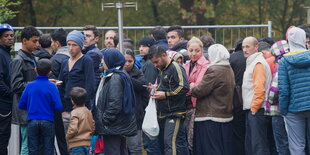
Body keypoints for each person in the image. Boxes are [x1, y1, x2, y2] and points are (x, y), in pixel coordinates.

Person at [191, 44, 235, 155]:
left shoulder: (214, 70)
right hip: (224, 114)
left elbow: (200, 91)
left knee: (210, 148)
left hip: (210, 116)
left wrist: (192, 87)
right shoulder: (228, 68)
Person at [94, 48, 137, 155]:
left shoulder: (115, 77)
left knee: (113, 151)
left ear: (110, 60)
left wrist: (105, 121)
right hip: (117, 124)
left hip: (113, 125)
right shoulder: (117, 74)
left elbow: (114, 103)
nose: (102, 61)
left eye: (104, 59)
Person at [148, 45, 189, 155]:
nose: (155, 65)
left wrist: (165, 94)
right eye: (153, 63)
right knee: (180, 144)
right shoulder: (162, 69)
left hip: (175, 113)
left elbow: (184, 87)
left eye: (156, 62)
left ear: (164, 55)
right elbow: (166, 86)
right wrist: (155, 89)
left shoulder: (176, 67)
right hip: (164, 112)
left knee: (169, 143)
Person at [18, 58, 62, 155]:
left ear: (35, 70)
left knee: (33, 149)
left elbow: (21, 104)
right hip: (48, 120)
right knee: (48, 148)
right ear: (50, 73)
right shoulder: (52, 86)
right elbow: (58, 106)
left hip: (32, 120)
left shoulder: (29, 86)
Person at [278, 26, 310, 155]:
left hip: (294, 108)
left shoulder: (284, 61)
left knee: (297, 146)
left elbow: (284, 90)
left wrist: (284, 110)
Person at [11, 26, 40, 155]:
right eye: (34, 41)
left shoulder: (33, 58)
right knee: (27, 145)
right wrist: (37, 84)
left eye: (38, 41)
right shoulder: (19, 60)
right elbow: (16, 86)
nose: (37, 44)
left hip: (35, 108)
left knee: (33, 145)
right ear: (24, 41)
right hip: (25, 110)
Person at [58, 30, 95, 131]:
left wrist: (85, 105)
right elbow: (60, 85)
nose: (70, 48)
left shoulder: (86, 60)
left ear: (81, 46)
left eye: (74, 45)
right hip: (66, 108)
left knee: (80, 139)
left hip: (81, 106)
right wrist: (62, 109)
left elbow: (90, 85)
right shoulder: (65, 62)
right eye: (69, 44)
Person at [242, 36, 272, 155]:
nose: (245, 49)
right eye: (243, 47)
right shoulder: (253, 62)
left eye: (248, 46)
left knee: (258, 146)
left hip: (257, 110)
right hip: (254, 109)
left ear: (256, 47)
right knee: (253, 145)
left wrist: (254, 109)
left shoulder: (257, 63)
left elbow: (259, 89)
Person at [183, 36, 209, 151]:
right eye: (191, 50)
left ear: (202, 50)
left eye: (197, 51)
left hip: (197, 105)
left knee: (193, 138)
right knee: (186, 137)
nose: (194, 53)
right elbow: (183, 85)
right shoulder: (186, 64)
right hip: (185, 105)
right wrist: (190, 85)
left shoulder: (206, 65)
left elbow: (198, 85)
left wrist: (189, 86)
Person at [264, 40, 290, 155]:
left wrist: (269, 101)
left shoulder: (280, 66)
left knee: (281, 143)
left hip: (278, 110)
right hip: (292, 110)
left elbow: (275, 88)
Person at [124, 51, 148, 155]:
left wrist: (126, 77)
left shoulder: (138, 73)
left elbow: (141, 85)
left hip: (136, 115)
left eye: (130, 61)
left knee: (135, 148)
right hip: (122, 116)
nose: (127, 63)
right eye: (125, 61)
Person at [229, 39, 246, 155]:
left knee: (237, 133)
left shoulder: (232, 58)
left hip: (236, 100)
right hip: (251, 99)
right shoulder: (251, 57)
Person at [66, 87, 95, 155]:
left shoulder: (74, 112)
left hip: (76, 144)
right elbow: (93, 126)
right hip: (87, 143)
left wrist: (67, 136)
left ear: (72, 101)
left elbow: (73, 129)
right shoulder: (88, 111)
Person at [0, 23, 14, 155]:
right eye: (6, 36)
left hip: (6, 103)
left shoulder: (6, 53)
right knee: (2, 139)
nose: (10, 38)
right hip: (3, 105)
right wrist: (11, 94)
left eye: (11, 35)